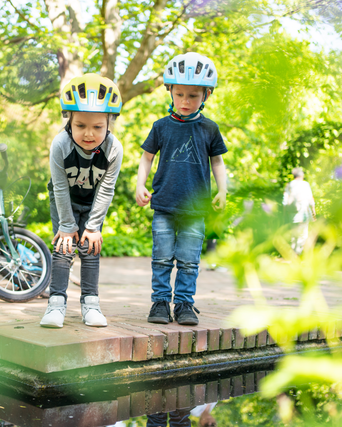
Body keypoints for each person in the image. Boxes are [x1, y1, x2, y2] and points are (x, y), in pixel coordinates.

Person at [136, 52, 228, 326]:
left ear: (206, 96)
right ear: (170, 92)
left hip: (195, 208)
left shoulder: (209, 128)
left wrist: (222, 190)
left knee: (189, 260)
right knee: (162, 258)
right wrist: (140, 183)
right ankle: (161, 303)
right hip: (164, 204)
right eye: (180, 95)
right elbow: (147, 157)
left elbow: (218, 162)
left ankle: (185, 304)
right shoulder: (161, 126)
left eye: (193, 96)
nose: (185, 102)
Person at [40, 74, 124, 329]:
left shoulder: (114, 149)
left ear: (109, 123)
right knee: (64, 248)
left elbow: (107, 189)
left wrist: (93, 227)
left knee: (90, 249)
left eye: (98, 127)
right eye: (81, 126)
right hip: (63, 200)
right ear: (69, 122)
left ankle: (91, 304)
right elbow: (59, 186)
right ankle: (56, 304)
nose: (89, 134)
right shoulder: (60, 145)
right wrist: (67, 226)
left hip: (93, 203)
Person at [282, 167, 316, 255]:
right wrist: (313, 212)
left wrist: (285, 214)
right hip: (304, 214)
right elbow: (310, 199)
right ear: (301, 175)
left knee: (294, 235)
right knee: (303, 235)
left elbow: (285, 201)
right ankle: (300, 255)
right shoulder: (305, 184)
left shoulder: (289, 185)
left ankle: (294, 255)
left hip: (292, 214)